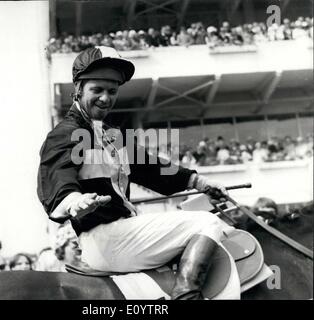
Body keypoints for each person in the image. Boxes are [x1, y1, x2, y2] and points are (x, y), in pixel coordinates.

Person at [37, 46, 239, 300]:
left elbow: (153, 169)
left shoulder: (111, 134)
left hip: (120, 233)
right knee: (206, 222)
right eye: (97, 90)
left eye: (112, 91)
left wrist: (200, 182)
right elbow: (57, 177)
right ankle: (186, 295)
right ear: (78, 89)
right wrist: (73, 201)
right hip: (105, 238)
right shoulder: (65, 134)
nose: (105, 98)